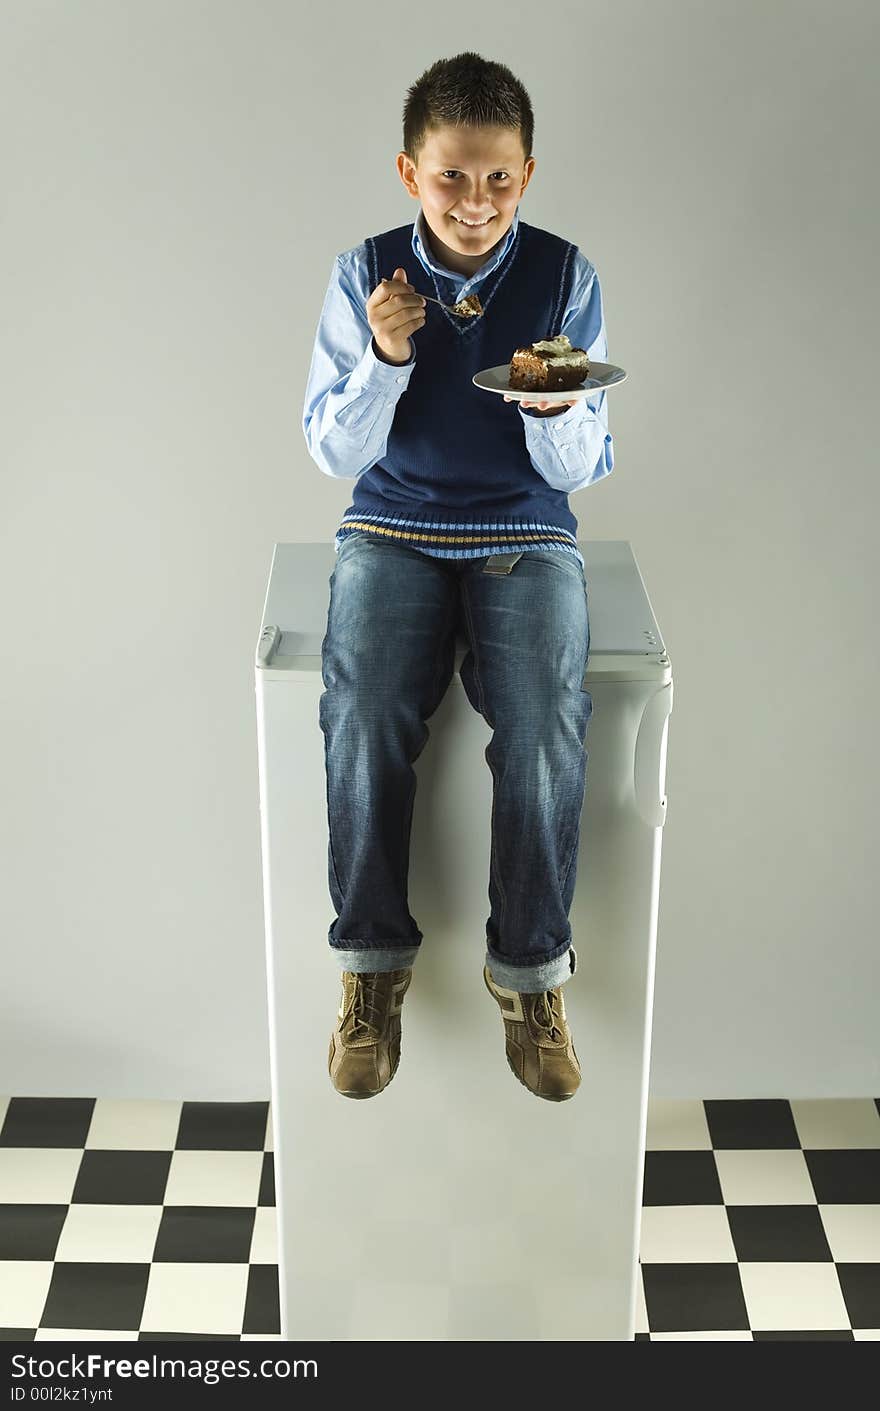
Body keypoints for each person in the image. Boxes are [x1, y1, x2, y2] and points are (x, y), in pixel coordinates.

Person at [302, 51, 614, 1103]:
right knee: (359, 712)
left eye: (497, 179)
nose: (474, 202)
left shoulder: (566, 276)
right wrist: (384, 360)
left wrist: (558, 407)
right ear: (408, 172)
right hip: (390, 524)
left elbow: (583, 469)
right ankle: (370, 971)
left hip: (526, 528)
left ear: (526, 175)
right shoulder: (364, 271)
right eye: (451, 178)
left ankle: (529, 975)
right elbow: (332, 454)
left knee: (543, 720)